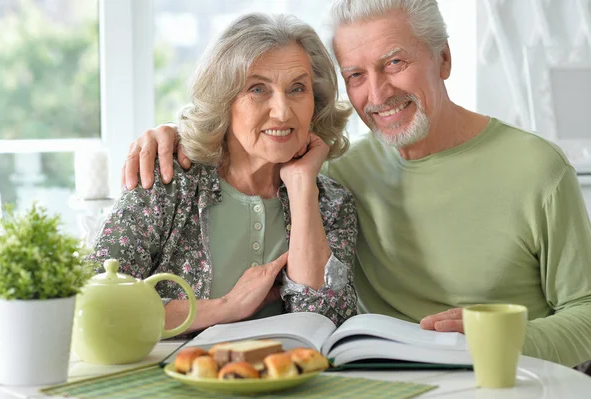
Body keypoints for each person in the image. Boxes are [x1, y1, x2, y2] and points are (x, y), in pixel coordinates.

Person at [123, 0, 591, 367]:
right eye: (356, 75)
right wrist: (172, 136)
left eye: (394, 63)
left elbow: (586, 313)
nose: (379, 93)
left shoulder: (537, 169)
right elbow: (257, 144)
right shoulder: (341, 173)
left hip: (503, 379)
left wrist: (499, 338)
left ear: (443, 59)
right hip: (378, 379)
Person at [90, 13, 358, 334]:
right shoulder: (170, 180)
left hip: (287, 378)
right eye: (258, 89)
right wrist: (227, 307)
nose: (283, 111)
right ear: (223, 100)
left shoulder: (331, 203)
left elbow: (325, 320)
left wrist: (302, 187)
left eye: (297, 88)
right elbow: (96, 303)